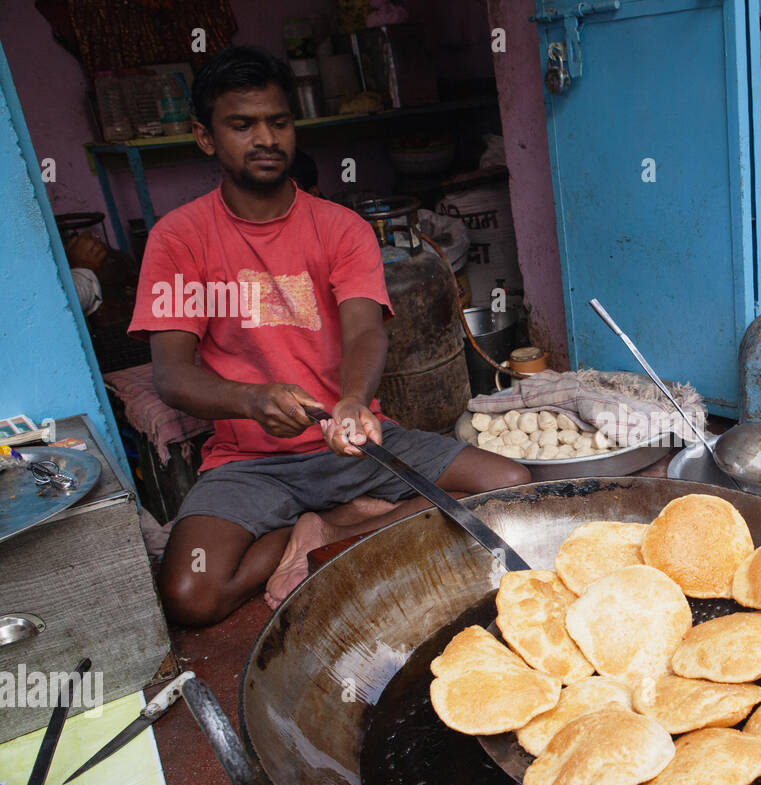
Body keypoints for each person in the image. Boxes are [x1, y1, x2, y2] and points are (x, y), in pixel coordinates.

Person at [128, 47, 529, 627]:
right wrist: (249, 399)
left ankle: (328, 532)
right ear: (205, 136)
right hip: (248, 463)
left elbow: (366, 332)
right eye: (242, 125)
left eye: (279, 122)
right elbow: (172, 376)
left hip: (351, 441)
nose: (265, 138)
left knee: (508, 488)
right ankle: (314, 527)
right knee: (192, 595)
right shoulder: (178, 240)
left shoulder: (340, 228)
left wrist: (351, 401)